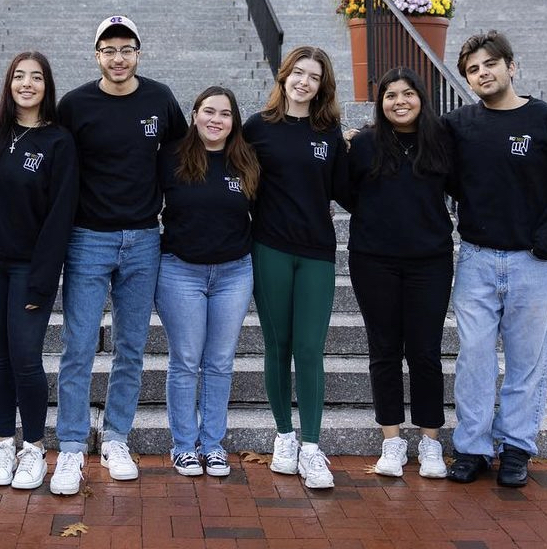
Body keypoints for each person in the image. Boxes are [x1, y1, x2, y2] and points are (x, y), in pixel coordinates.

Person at [444, 31, 547, 487]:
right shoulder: (460, 124)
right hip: (476, 259)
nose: (482, 73)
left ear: (512, 66)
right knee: (474, 357)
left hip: (534, 263)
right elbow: (417, 150)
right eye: (472, 69)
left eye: (490, 64)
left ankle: (516, 448)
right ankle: (472, 448)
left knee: (528, 359)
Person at [50, 16, 186, 495]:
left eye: (126, 48)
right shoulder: (75, 105)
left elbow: (182, 158)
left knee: (131, 347)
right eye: (109, 50)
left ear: (138, 53)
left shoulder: (161, 99)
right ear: (97, 56)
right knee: (79, 346)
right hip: (88, 238)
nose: (118, 58)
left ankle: (116, 438)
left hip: (145, 238)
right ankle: (69, 447)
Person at [0, 51, 78, 490]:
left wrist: (44, 277)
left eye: (36, 77)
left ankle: (34, 447)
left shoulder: (59, 142)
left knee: (26, 358)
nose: (26, 84)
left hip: (31, 266)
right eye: (18, 76)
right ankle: (4, 443)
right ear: (8, 83)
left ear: (47, 86)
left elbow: (60, 217)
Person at [242, 45, 349, 490]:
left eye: (314, 76)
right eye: (298, 73)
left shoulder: (330, 132)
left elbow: (347, 189)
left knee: (309, 348)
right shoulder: (256, 128)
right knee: (277, 343)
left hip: (317, 252)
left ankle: (310, 445)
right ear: (284, 76)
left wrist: (359, 147)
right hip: (270, 248)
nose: (304, 81)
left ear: (322, 85)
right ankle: (283, 435)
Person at [341, 68, 455, 480]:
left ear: (421, 99)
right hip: (374, 260)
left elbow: (462, 186)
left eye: (408, 94)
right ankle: (391, 441)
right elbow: (345, 191)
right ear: (381, 102)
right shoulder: (365, 144)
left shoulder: (440, 142)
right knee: (384, 351)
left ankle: (430, 442)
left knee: (424, 352)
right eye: (391, 95)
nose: (400, 101)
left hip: (431, 261)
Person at [155, 86, 260, 478]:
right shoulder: (171, 158)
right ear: (194, 114)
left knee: (219, 362)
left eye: (225, 114)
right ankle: (183, 445)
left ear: (234, 121)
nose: (216, 120)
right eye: (209, 112)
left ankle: (213, 444)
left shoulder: (246, 160)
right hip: (181, 270)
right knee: (185, 361)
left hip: (234, 272)